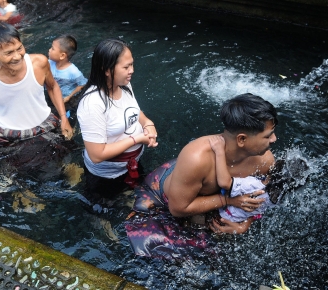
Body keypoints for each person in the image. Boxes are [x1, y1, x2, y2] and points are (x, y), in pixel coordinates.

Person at [134, 93, 278, 235]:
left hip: (204, 190)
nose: (274, 139)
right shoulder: (197, 158)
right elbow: (177, 208)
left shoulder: (265, 160)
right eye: (268, 136)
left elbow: (263, 199)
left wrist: (245, 224)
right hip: (163, 193)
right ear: (241, 139)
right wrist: (229, 200)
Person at [0, 22, 73, 155]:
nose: (17, 56)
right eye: (8, 53)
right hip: (8, 136)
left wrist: (64, 118)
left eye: (19, 48)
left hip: (45, 125)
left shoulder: (39, 63)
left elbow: (52, 86)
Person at [76, 38, 158, 203]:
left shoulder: (125, 86)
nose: (132, 70)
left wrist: (148, 123)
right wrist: (137, 139)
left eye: (132, 65)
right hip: (106, 176)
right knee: (104, 211)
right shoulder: (92, 104)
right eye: (126, 67)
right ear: (107, 70)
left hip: (131, 164)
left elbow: (134, 111)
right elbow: (96, 155)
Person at [209, 135, 273, 223]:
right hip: (238, 222)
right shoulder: (277, 198)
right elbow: (258, 212)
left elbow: (225, 183)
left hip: (222, 218)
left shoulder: (253, 185)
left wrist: (219, 152)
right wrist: (245, 225)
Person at [48, 35, 87, 113]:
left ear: (62, 56)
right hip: (52, 93)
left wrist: (69, 96)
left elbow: (82, 84)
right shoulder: (49, 63)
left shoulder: (73, 72)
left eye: (52, 48)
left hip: (65, 97)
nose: (49, 50)